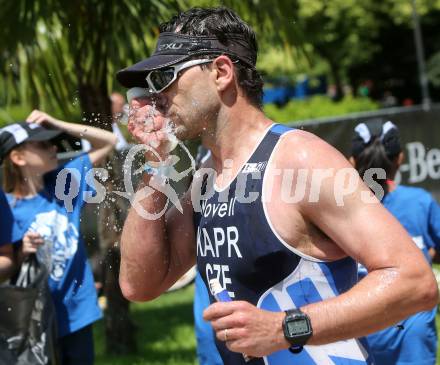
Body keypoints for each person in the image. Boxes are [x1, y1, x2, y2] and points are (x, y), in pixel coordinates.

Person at [116, 7, 438, 365]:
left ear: (221, 72)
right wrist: (155, 164)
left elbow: (415, 282)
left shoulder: (299, 159)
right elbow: (139, 285)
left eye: (165, 75)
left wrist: (284, 329)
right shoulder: (205, 178)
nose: (154, 95)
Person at [0, 110, 117, 364]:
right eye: (42, 145)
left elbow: (109, 141)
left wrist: (56, 122)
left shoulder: (66, 183)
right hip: (31, 318)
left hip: (76, 312)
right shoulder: (6, 207)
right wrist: (22, 252)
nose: (53, 147)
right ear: (18, 157)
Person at [350, 120, 440, 365]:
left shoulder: (338, 212)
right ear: (400, 159)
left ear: (352, 162)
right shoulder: (420, 202)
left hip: (357, 334)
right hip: (414, 338)